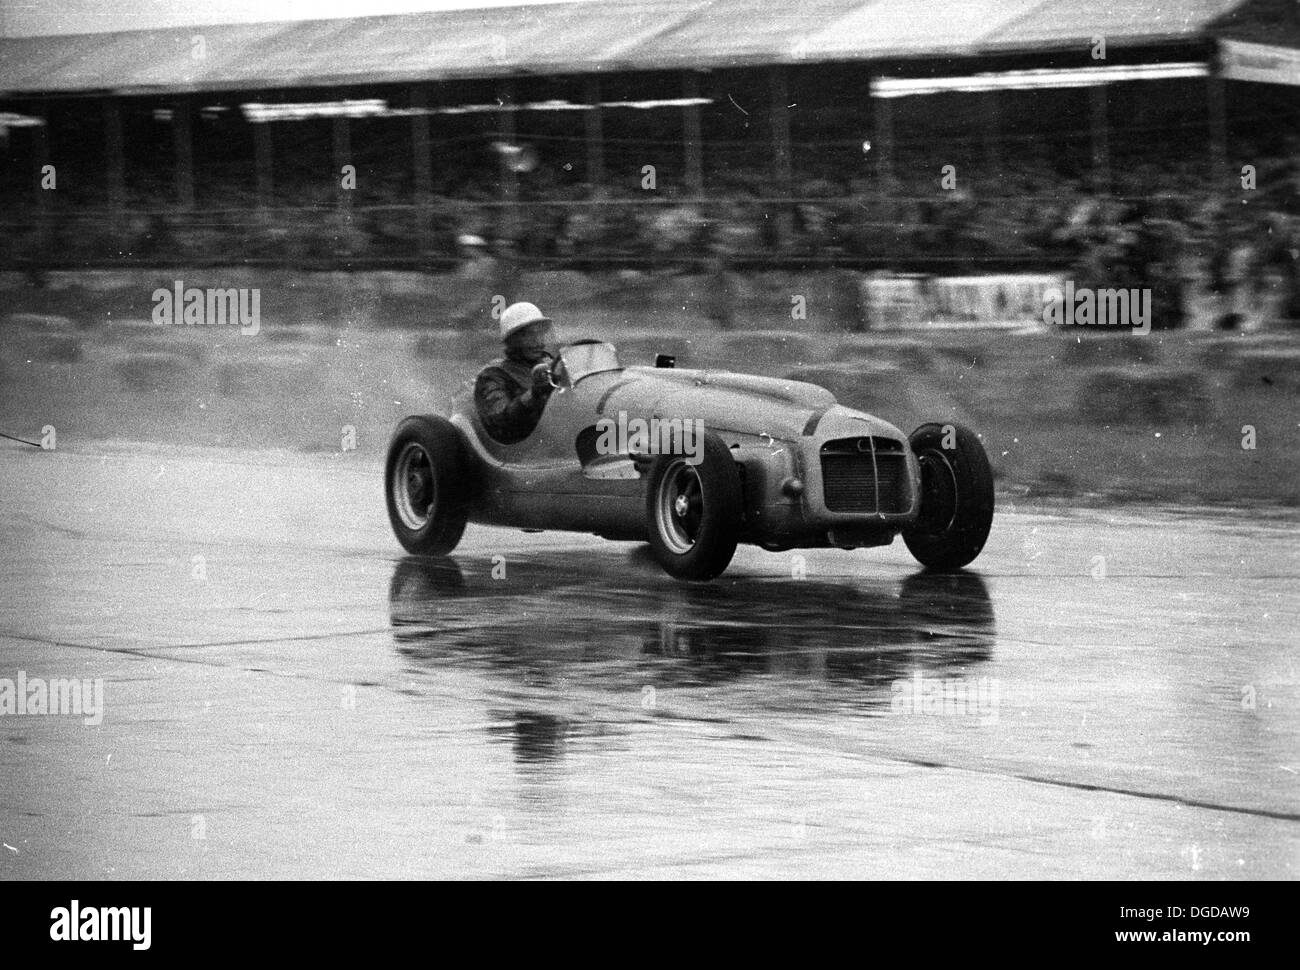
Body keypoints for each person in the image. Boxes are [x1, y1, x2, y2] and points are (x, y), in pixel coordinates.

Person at [474, 302, 557, 444]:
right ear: (512, 340)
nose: (539, 342)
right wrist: (534, 394)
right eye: (529, 335)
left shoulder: (554, 365)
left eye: (540, 333)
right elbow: (500, 420)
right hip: (524, 448)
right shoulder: (493, 376)